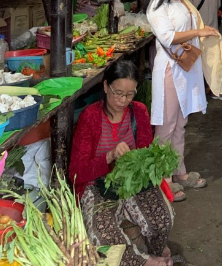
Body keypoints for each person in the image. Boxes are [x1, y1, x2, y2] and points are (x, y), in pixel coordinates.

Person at [69, 61, 177, 266]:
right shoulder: (90, 117)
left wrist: (137, 159)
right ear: (105, 87)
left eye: (129, 94)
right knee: (104, 234)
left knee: (163, 218)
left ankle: (156, 249)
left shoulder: (139, 112)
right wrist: (109, 157)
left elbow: (145, 155)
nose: (122, 100)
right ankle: (145, 261)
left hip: (131, 182)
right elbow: (76, 172)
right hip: (97, 185)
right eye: (117, 93)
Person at [146, 0, 222, 191]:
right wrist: (198, 33)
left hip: (186, 67)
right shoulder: (156, 4)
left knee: (180, 123)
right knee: (166, 125)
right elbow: (168, 37)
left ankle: (179, 172)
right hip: (171, 69)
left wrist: (201, 32)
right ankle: (163, 178)